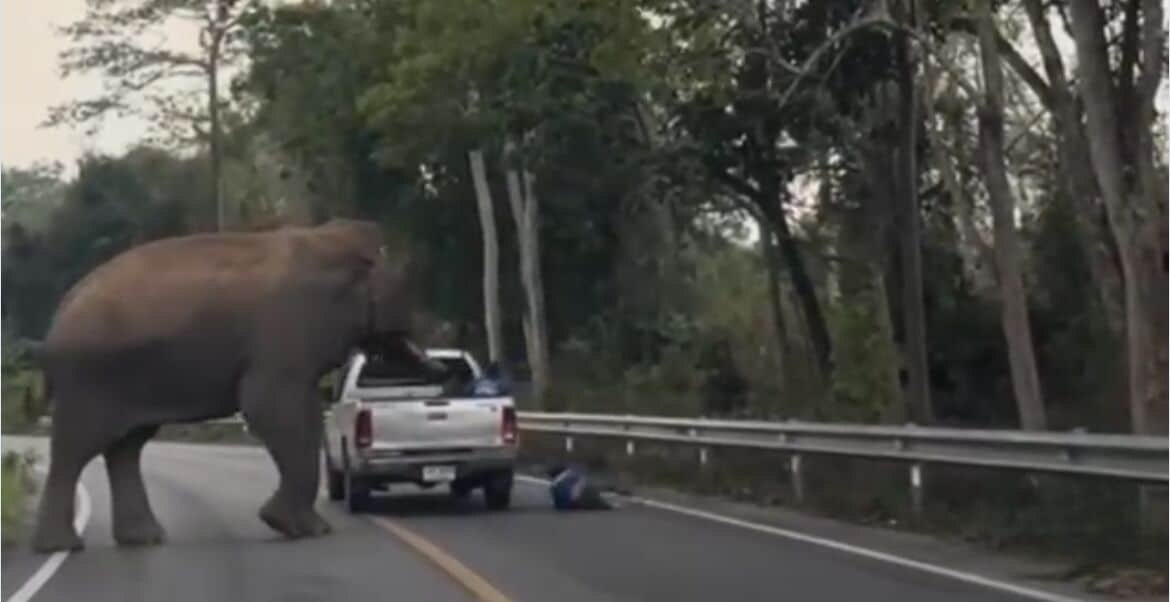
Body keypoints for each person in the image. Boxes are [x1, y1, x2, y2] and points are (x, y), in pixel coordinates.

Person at [546, 463, 614, 510]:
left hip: (566, 505)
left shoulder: (554, 486)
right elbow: (579, 488)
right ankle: (608, 504)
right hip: (576, 501)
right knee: (589, 490)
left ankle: (607, 502)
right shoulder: (571, 476)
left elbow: (557, 503)